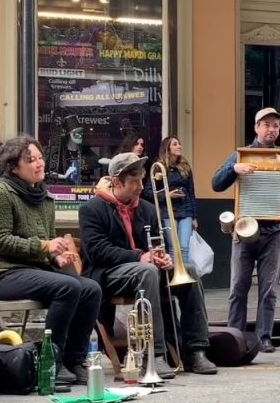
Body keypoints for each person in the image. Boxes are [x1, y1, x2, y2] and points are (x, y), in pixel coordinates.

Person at [80, 152, 218, 376]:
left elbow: (155, 243)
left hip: (144, 270)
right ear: (116, 182)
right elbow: (97, 251)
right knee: (147, 271)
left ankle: (196, 349)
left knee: (189, 270)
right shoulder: (92, 209)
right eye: (134, 182)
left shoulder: (147, 209)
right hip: (107, 273)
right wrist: (138, 256)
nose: (140, 187)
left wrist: (162, 257)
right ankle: (155, 353)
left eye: (141, 180)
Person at [0, 137, 102, 385]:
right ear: (14, 167)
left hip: (34, 270)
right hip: (2, 273)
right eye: (31, 160)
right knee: (68, 287)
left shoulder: (43, 197)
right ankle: (51, 363)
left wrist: (55, 256)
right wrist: (44, 247)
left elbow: (43, 243)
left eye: (40, 158)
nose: (39, 164)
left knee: (91, 288)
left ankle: (73, 360)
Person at [212, 107, 280, 353]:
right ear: (256, 127)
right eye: (266, 124)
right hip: (244, 229)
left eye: (276, 125)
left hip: (273, 230)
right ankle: (234, 335)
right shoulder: (240, 155)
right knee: (238, 287)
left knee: (269, 289)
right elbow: (216, 184)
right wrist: (233, 170)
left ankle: (264, 336)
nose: (271, 129)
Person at [154, 136, 198, 265]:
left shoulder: (184, 166)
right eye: (175, 144)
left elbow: (191, 192)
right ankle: (175, 279)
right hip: (168, 212)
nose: (179, 146)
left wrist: (194, 217)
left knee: (184, 247)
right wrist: (167, 195)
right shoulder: (159, 167)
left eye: (179, 143)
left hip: (186, 211)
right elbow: (148, 192)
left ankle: (184, 279)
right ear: (167, 148)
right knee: (173, 248)